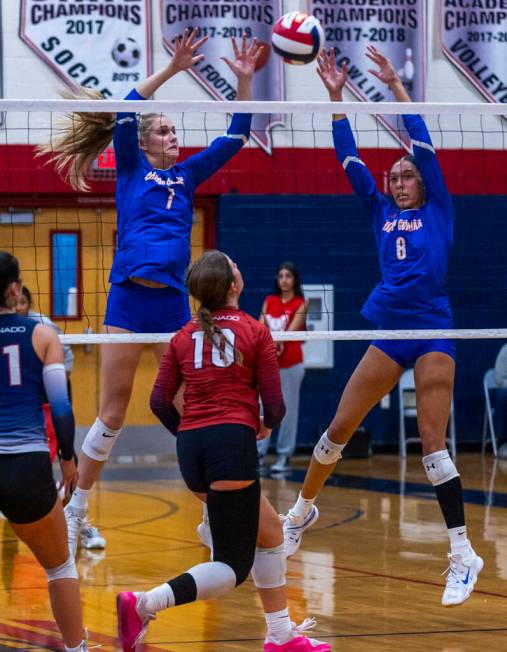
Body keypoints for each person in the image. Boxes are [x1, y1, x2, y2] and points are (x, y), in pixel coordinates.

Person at [39, 30, 261, 556]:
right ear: (143, 142)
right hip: (127, 302)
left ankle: (210, 508)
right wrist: (173, 68)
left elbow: (237, 135)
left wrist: (245, 79)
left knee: (194, 404)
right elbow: (127, 107)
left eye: (173, 131)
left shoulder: (186, 176)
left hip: (170, 304)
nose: (172, 137)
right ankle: (77, 509)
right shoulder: (132, 167)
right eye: (163, 131)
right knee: (113, 412)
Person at [281, 46, 483, 607]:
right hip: (390, 329)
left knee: (434, 447)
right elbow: (346, 155)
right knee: (337, 430)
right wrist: (334, 97)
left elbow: (419, 134)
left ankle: (462, 553)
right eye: (392, 176)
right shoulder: (378, 209)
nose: (396, 180)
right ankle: (300, 513)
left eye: (404, 175)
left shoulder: (438, 203)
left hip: (435, 328)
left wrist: (396, 84)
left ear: (422, 182)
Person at [116, 250, 331, 652]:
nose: (239, 267)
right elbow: (276, 404)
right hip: (231, 446)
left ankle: (281, 635)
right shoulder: (254, 331)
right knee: (234, 567)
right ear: (232, 286)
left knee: (270, 536)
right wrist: (264, 425)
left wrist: (191, 435)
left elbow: (159, 402)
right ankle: (143, 604)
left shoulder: (182, 336)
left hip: (193, 450)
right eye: (235, 266)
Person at [0, 251, 87, 651]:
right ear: (15, 288)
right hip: (26, 469)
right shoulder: (42, 334)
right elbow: (62, 407)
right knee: (60, 566)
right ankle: (77, 648)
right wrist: (68, 459)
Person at [258, 262, 307, 472]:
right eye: (281, 276)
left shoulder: (301, 303)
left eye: (288, 276)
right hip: (268, 365)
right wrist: (269, 341)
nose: (284, 279)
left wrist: (277, 340)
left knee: (288, 411)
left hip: (291, 364)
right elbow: (260, 327)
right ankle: (258, 453)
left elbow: (292, 330)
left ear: (294, 279)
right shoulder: (269, 301)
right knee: (261, 406)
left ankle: (284, 455)